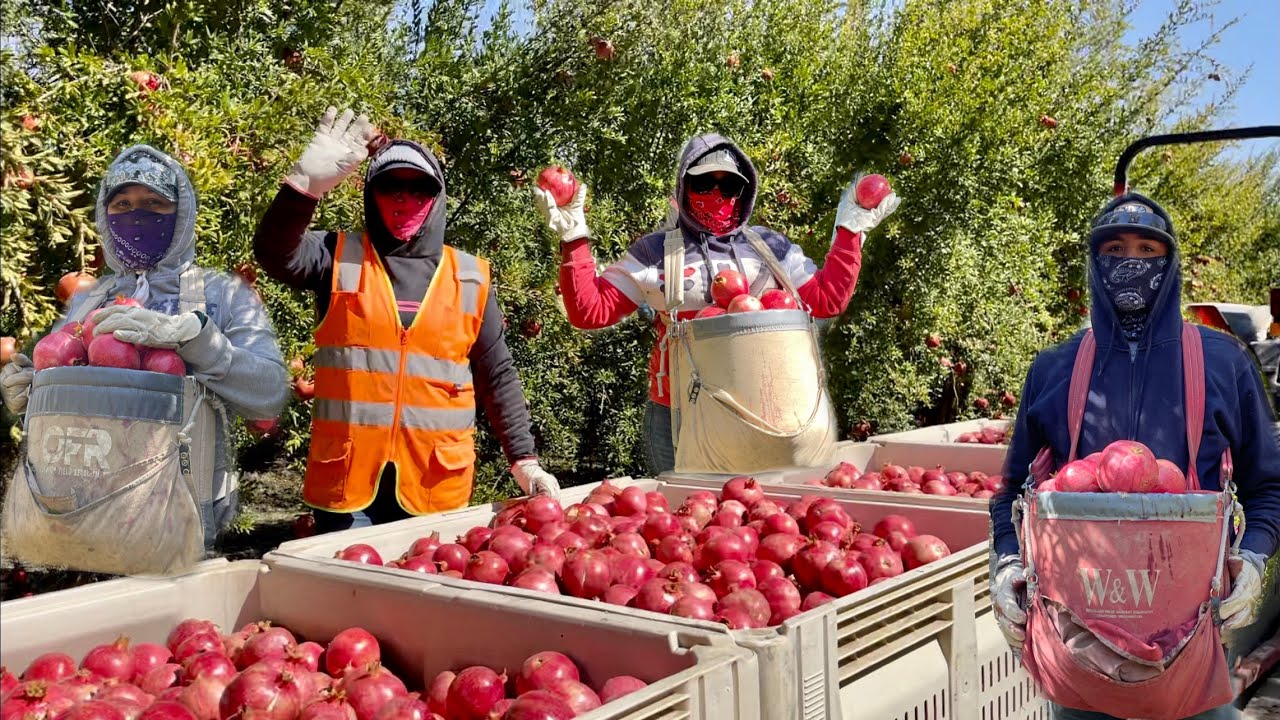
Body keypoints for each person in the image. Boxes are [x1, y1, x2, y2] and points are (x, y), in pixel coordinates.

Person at [989, 192, 1280, 720]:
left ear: (1170, 263)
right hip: (1080, 637)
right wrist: (1008, 559)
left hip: (1189, 632)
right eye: (1115, 249)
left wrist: (1255, 558)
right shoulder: (1054, 369)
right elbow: (1012, 493)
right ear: (1095, 262)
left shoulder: (1223, 363)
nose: (1132, 262)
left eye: (1148, 249)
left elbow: (1268, 487)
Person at [253, 107, 560, 533]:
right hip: (348, 489)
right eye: (391, 186)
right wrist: (303, 188)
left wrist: (524, 460)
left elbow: (497, 374)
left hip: (435, 486)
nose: (404, 199)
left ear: (438, 197)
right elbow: (274, 253)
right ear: (371, 192)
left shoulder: (470, 277)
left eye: (419, 188)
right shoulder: (336, 257)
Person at [533, 133, 900, 475]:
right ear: (684, 185)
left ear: (745, 190)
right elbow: (590, 311)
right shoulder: (655, 252)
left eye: (730, 185)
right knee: (685, 523)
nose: (717, 193)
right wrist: (574, 236)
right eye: (704, 183)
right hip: (678, 415)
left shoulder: (771, 249)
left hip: (766, 411)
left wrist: (850, 231)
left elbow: (826, 300)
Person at [0, 144, 289, 543]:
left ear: (181, 214)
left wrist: (195, 339)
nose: (137, 215)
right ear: (105, 215)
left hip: (185, 515)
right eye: (123, 204)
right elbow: (73, 408)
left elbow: (270, 394)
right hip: (92, 509)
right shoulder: (89, 301)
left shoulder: (222, 295)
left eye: (155, 203)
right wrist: (35, 397)